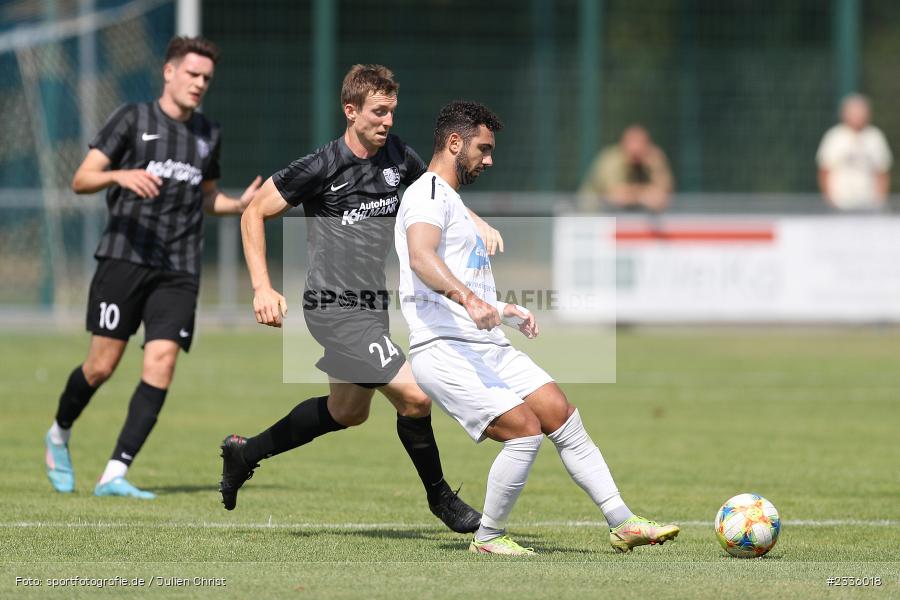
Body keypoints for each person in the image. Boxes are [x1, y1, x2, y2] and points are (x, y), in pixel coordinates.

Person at [219, 65, 503, 533]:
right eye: (378, 112)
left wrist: (476, 221)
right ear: (350, 111)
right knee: (415, 397)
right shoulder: (321, 166)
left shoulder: (399, 156)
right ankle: (442, 499)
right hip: (332, 309)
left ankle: (244, 453)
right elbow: (253, 213)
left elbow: (437, 191)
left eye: (392, 111)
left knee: (347, 412)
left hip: (371, 308)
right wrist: (262, 288)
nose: (387, 121)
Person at [395, 100, 680, 555]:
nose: (489, 159)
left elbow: (456, 278)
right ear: (454, 142)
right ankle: (488, 538)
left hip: (485, 344)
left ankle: (622, 522)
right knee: (524, 431)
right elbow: (420, 257)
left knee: (559, 413)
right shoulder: (425, 195)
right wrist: (471, 301)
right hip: (446, 350)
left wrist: (502, 308)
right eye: (484, 148)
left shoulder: (451, 200)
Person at [43, 36, 262, 498]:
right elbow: (81, 179)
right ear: (169, 72)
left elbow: (207, 197)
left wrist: (239, 204)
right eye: (193, 74)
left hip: (179, 268)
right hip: (125, 258)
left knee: (161, 363)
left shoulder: (208, 133)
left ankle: (114, 473)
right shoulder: (132, 118)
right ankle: (59, 433)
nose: (199, 83)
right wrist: (119, 175)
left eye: (206, 78)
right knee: (101, 366)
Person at [817, 94, 893, 212]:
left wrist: (880, 201)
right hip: (840, 204)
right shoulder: (835, 137)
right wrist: (829, 200)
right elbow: (824, 170)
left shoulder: (875, 137)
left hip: (868, 204)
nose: (857, 117)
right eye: (854, 113)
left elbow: (882, 172)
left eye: (860, 113)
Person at [577, 125, 673, 212]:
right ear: (623, 143)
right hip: (593, 214)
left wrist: (655, 167)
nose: (636, 148)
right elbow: (615, 195)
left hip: (628, 216)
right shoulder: (611, 159)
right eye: (633, 142)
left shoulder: (653, 159)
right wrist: (644, 195)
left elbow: (664, 193)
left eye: (641, 143)